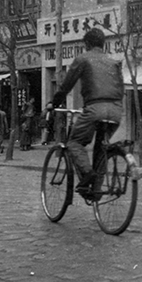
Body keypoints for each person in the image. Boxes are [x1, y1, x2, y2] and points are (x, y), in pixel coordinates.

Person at [50, 27, 124, 200]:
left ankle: (88, 173)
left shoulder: (83, 59)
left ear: (87, 44)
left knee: (74, 142)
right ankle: (95, 192)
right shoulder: (113, 62)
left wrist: (52, 104)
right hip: (115, 111)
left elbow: (66, 86)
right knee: (101, 149)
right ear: (103, 44)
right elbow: (121, 89)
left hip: (94, 109)